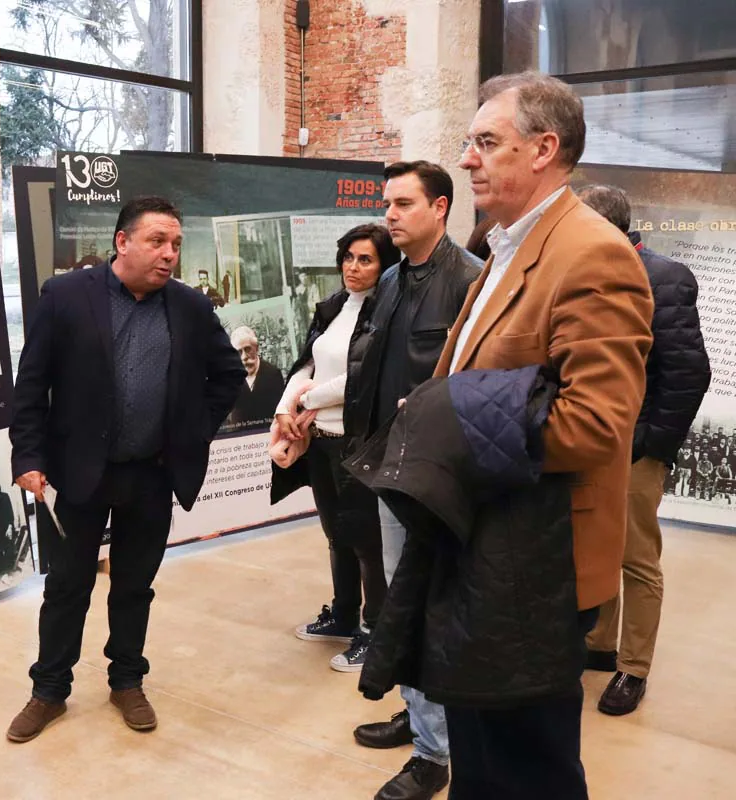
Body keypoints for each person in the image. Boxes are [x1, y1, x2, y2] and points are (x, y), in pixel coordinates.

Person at [431, 71, 653, 798]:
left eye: (486, 142)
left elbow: (595, 422)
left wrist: (450, 434)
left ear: (543, 149)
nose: (468, 158)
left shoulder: (591, 251)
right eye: (470, 142)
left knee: (530, 773)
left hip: (536, 564)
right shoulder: (504, 251)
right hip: (485, 550)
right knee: (482, 759)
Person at [7, 196, 245, 742]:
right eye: (157, 241)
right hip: (77, 472)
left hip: (151, 475)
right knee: (68, 587)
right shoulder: (66, 296)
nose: (169, 255)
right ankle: (49, 691)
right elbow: (31, 383)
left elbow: (227, 374)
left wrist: (191, 434)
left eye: (176, 244)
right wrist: (29, 457)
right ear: (122, 242)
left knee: (135, 586)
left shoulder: (187, 306)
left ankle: (127, 680)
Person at [346, 162, 483, 800]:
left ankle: (435, 756)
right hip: (387, 466)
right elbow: (372, 369)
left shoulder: (471, 282)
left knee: (432, 607)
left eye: (403, 203)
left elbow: (477, 384)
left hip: (435, 475)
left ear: (441, 208)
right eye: (387, 203)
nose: (390, 214)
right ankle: (420, 716)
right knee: (403, 605)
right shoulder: (392, 280)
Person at [577, 185, 711, 716]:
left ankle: (634, 666)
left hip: (634, 448)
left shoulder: (665, 278)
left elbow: (689, 373)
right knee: (596, 547)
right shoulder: (587, 275)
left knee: (636, 558)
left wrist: (651, 447)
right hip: (590, 442)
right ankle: (599, 644)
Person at [271, 223, 397, 662]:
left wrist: (311, 398)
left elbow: (367, 375)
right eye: (348, 257)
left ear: (385, 266)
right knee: (335, 533)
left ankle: (375, 629)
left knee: (367, 540)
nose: (353, 267)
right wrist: (286, 409)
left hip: (358, 439)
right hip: (320, 439)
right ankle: (343, 615)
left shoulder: (386, 311)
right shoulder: (334, 306)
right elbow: (307, 362)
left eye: (366, 259)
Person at [226, 327, 286, 429]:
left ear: (257, 348)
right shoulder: (231, 378)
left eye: (248, 349)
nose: (244, 357)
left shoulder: (273, 374)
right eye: (239, 352)